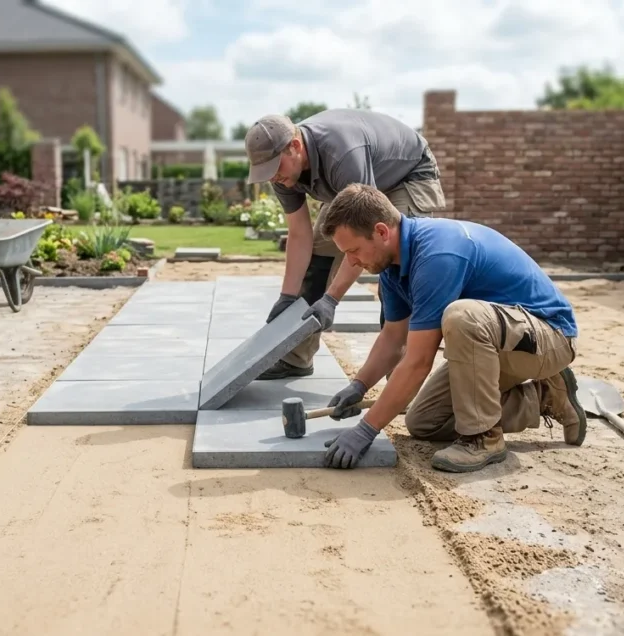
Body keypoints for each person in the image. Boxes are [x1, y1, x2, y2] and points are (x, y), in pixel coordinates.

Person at [317, 183, 587, 473]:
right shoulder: (392, 267)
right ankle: (547, 396)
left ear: (382, 231)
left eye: (354, 250)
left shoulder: (436, 255)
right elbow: (394, 338)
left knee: (461, 316)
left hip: (550, 336)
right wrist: (359, 385)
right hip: (502, 342)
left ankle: (484, 438)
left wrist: (365, 430)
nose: (353, 261)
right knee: (424, 421)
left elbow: (419, 361)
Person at [243, 109, 446, 380]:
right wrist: (288, 297)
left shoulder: (341, 153)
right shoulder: (282, 172)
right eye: (265, 171)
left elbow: (362, 237)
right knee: (318, 260)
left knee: (395, 268)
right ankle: (295, 358)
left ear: (294, 146)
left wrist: (331, 300)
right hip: (358, 184)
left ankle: (401, 381)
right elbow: (300, 234)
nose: (272, 177)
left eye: (275, 168)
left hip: (405, 176)